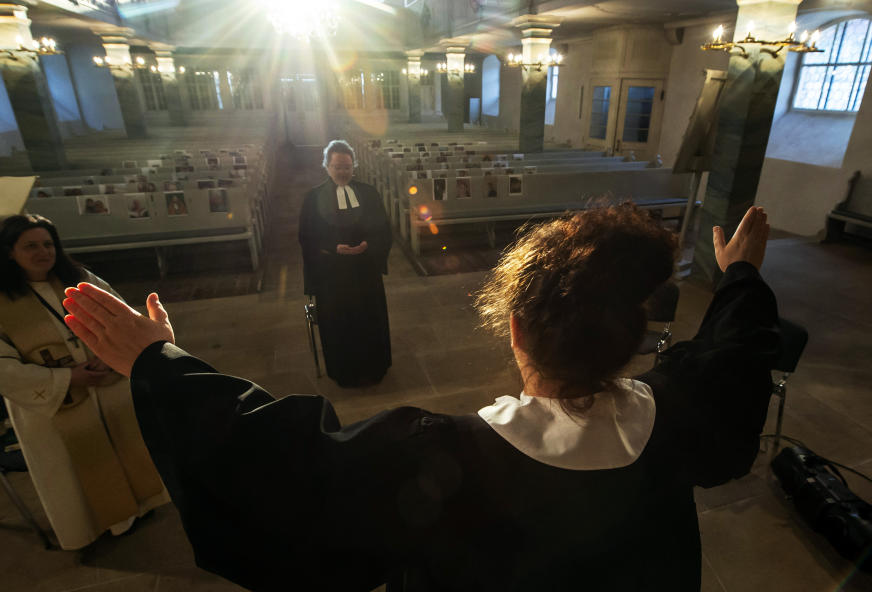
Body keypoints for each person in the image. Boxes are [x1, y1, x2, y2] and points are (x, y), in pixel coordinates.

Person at [63, 204, 780, 591]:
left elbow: (276, 469)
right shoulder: (681, 411)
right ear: (632, 334)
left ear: (517, 328)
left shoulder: (438, 460)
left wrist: (157, 363)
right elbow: (734, 358)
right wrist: (740, 275)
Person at [0, 214, 169, 550]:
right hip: (56, 402)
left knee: (125, 448)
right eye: (30, 246)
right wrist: (68, 377)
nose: (42, 252)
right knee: (77, 472)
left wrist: (108, 357)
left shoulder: (81, 280)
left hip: (106, 387)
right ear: (8, 252)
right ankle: (93, 528)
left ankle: (141, 508)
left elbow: (124, 318)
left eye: (48, 244)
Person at [298, 139, 392, 386]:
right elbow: (307, 237)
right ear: (327, 166)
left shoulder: (368, 193)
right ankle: (345, 372)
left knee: (369, 321)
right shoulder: (313, 198)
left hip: (365, 270)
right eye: (337, 166)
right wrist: (332, 247)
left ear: (354, 166)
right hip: (332, 275)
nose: (342, 172)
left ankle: (374, 368)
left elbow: (383, 228)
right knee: (341, 326)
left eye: (347, 166)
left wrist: (368, 244)